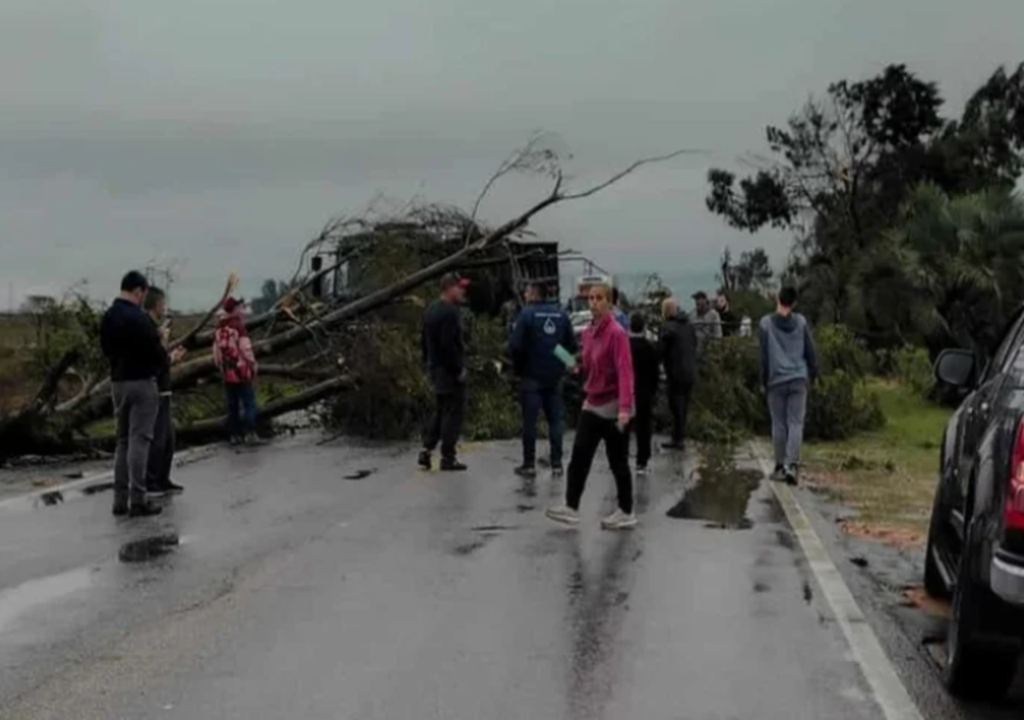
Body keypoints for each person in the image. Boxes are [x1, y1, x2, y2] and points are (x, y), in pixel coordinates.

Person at [546, 282, 636, 530]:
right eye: (591, 299)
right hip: (593, 402)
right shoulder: (589, 332)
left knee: (618, 462)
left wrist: (625, 409)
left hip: (614, 405)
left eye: (599, 298)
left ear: (609, 303)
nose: (593, 303)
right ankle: (571, 507)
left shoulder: (617, 333)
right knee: (579, 456)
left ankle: (626, 511)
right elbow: (586, 364)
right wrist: (571, 363)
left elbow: (625, 371)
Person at [100, 270, 166, 517]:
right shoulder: (139, 319)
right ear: (139, 291)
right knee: (140, 440)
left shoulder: (108, 317)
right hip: (142, 382)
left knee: (123, 441)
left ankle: (119, 500)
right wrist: (162, 344)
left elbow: (106, 349)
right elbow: (157, 354)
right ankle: (138, 499)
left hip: (118, 382)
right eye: (143, 294)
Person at [509, 281, 577, 479]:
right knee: (555, 420)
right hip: (554, 378)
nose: (525, 293)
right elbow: (570, 347)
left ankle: (529, 465)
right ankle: (557, 464)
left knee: (530, 421)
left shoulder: (527, 315)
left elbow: (515, 346)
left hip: (531, 377)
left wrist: (518, 368)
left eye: (527, 291)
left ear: (534, 294)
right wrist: (559, 360)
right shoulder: (561, 315)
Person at [761, 286, 819, 486]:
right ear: (794, 303)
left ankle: (778, 466)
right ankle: (792, 465)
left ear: (778, 298)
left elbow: (764, 356)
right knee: (796, 422)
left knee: (778, 423)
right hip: (798, 378)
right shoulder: (801, 322)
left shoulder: (766, 323)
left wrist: (763, 381)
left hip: (776, 379)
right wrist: (814, 374)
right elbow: (810, 350)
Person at [419, 274, 470, 471]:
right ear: (449, 288)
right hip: (448, 370)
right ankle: (448, 457)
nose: (462, 291)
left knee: (440, 411)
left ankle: (426, 449)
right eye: (459, 288)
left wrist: (428, 363)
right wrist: (458, 369)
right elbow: (448, 345)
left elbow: (424, 341)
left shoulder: (431, 309)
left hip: (435, 368)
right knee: (453, 413)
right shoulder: (450, 312)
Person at [143, 287, 186, 495]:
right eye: (163, 303)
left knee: (169, 439)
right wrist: (168, 352)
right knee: (158, 438)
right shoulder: (148, 328)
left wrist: (170, 354)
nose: (165, 307)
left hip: (165, 389)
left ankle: (163, 478)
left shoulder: (155, 328)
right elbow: (155, 360)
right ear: (155, 304)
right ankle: (150, 481)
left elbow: (161, 357)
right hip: (155, 389)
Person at [213, 297, 261, 446]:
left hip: (228, 373)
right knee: (249, 403)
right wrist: (253, 364)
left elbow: (216, 353)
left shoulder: (219, 329)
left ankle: (234, 435)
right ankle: (250, 433)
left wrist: (220, 367)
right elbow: (246, 349)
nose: (242, 310)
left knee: (232, 405)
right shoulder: (238, 327)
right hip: (242, 371)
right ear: (234, 310)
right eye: (240, 308)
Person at [659, 297, 698, 451]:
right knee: (684, 406)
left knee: (675, 406)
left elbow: (662, 350)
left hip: (676, 373)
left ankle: (678, 439)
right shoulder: (688, 325)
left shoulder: (668, 327)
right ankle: (678, 436)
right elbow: (695, 343)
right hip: (690, 371)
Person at [627, 312, 659, 475]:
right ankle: (642, 461)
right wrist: (653, 392)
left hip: (626, 393)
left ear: (629, 327)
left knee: (623, 426)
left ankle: (620, 457)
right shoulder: (650, 348)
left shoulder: (625, 346)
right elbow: (655, 374)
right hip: (644, 393)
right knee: (643, 428)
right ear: (644, 327)